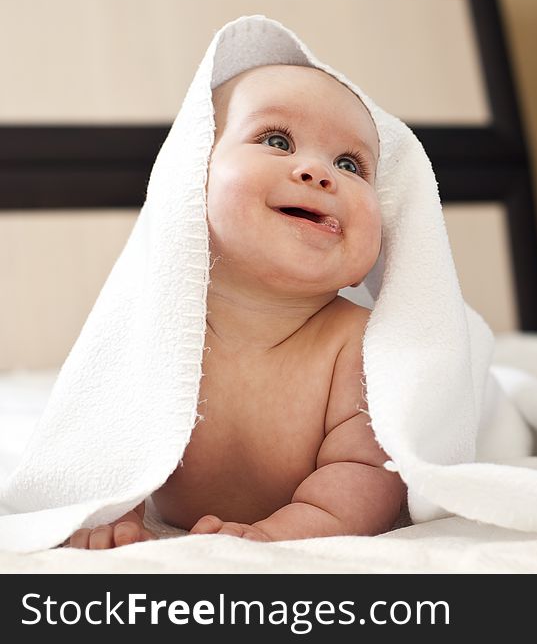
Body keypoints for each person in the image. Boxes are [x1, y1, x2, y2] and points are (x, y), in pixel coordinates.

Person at [67, 64, 405, 548]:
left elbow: (369, 471)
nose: (319, 173)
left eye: (350, 165)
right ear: (191, 180)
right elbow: (110, 440)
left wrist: (280, 533)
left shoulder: (358, 342)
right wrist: (112, 513)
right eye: (277, 141)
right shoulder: (157, 326)